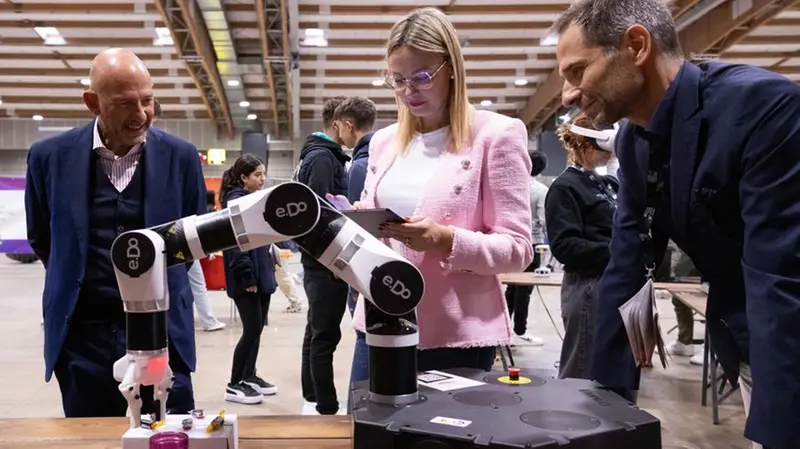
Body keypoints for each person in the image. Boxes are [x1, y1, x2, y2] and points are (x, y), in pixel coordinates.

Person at [553, 1, 800, 447]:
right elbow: (625, 266)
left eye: (576, 72)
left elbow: (778, 277)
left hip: (787, 347)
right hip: (746, 345)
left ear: (636, 45)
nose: (569, 95)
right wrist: (605, 409)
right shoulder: (633, 141)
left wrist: (781, 426)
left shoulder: (762, 107)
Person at [338, 7, 532, 385]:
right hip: (379, 321)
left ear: (452, 69)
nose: (409, 91)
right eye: (397, 80)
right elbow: (368, 218)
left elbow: (519, 249)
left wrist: (445, 240)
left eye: (422, 77)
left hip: (456, 334)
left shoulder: (497, 135)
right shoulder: (382, 142)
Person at [25, 48, 205, 417]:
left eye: (148, 100)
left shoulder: (181, 157)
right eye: (125, 104)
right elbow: (42, 238)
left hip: (162, 334)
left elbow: (190, 240)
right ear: (93, 103)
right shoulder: (48, 157)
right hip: (82, 341)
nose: (141, 115)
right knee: (90, 435)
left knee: (167, 430)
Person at [544, 113, 618, 380]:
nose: (610, 156)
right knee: (584, 368)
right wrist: (616, 252)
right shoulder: (566, 187)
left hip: (612, 280)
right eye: (605, 150)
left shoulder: (605, 183)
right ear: (586, 147)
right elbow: (565, 245)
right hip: (588, 285)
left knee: (611, 367)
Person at [295, 96, 352, 415]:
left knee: (316, 329)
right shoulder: (322, 159)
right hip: (324, 260)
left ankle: (313, 394)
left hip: (320, 258)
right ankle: (327, 404)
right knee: (325, 334)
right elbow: (316, 212)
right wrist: (330, 259)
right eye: (348, 126)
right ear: (337, 124)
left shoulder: (321, 156)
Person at [219, 154, 278, 404]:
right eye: (257, 175)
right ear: (243, 177)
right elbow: (234, 243)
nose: (262, 179)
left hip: (261, 272)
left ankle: (249, 375)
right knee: (251, 328)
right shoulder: (236, 203)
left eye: (264, 174)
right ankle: (234, 383)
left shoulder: (253, 200)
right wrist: (246, 275)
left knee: (257, 330)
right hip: (247, 277)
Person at [333, 96, 378, 386]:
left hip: (365, 268)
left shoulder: (361, 165)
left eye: (339, 128)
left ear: (349, 125)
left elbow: (363, 225)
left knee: (366, 338)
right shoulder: (384, 157)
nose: (339, 135)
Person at [505, 150, 548, 347]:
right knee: (524, 290)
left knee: (511, 287)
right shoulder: (540, 190)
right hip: (533, 243)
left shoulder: (511, 186)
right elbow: (543, 220)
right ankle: (519, 330)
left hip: (510, 243)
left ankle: (504, 329)